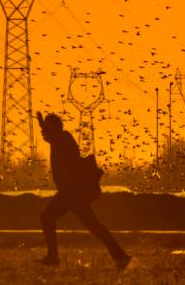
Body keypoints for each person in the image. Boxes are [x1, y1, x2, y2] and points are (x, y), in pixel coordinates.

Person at [36, 111, 131, 270]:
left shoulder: (62, 138)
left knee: (51, 218)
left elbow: (54, 136)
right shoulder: (62, 138)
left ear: (52, 129)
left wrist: (43, 124)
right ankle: (121, 256)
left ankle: (121, 257)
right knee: (90, 224)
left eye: (45, 129)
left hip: (72, 192)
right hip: (70, 192)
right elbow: (52, 137)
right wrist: (43, 125)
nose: (42, 133)